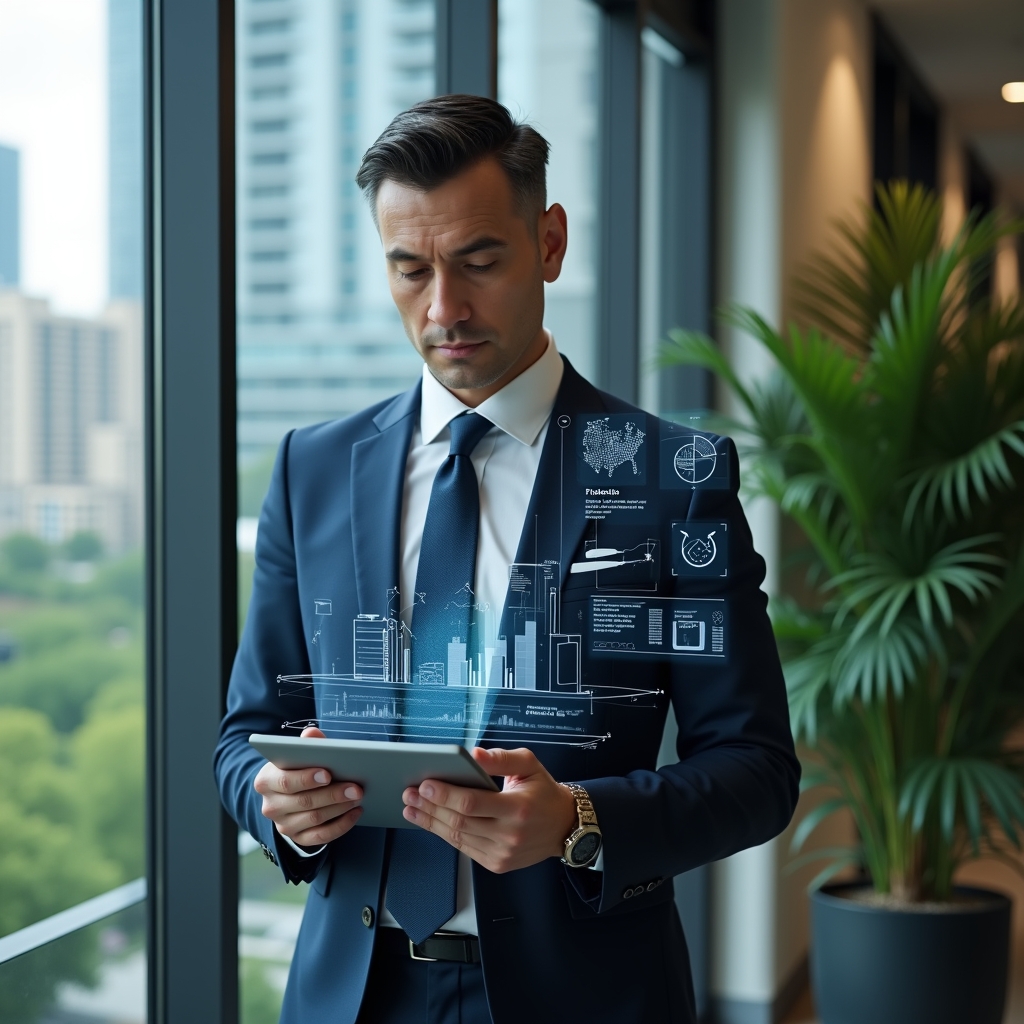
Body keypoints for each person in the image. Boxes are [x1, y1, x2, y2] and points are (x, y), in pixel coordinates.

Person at [214, 94, 799, 1024]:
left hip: (588, 992)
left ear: (551, 242)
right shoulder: (311, 469)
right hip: (353, 992)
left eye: (479, 260)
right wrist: (275, 799)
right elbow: (246, 733)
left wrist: (579, 820)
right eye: (410, 270)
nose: (443, 308)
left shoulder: (672, 480)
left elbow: (758, 771)